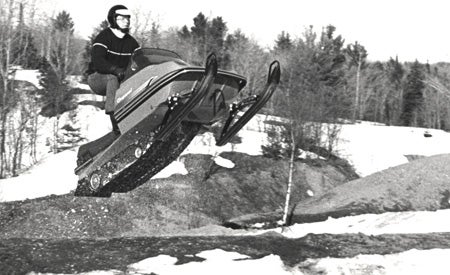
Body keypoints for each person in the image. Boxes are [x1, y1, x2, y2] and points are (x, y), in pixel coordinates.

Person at [87, 4, 140, 134]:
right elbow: (98, 62)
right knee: (112, 77)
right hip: (98, 78)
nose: (126, 21)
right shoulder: (104, 37)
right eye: (122, 19)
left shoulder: (132, 42)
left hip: (120, 79)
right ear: (113, 20)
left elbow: (140, 60)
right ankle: (115, 121)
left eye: (128, 18)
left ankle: (140, 119)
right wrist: (115, 69)